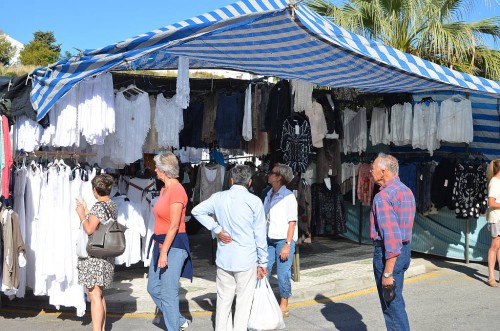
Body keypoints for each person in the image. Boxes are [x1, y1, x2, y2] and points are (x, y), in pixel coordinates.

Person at [191, 165, 268, 331]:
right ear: (249, 182)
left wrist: (217, 229)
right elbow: (260, 235)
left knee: (224, 300)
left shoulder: (218, 197)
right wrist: (263, 262)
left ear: (231, 180)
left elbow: (196, 211)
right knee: (243, 301)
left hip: (225, 257)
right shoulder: (254, 201)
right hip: (246, 259)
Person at [147, 151, 192, 331]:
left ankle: (174, 326)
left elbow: (174, 225)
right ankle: (179, 320)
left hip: (173, 245)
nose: (155, 170)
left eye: (157, 167)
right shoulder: (165, 189)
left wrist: (164, 251)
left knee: (168, 293)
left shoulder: (177, 190)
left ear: (165, 170)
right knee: (153, 287)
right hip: (161, 243)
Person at [370, 153, 415, 331]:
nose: (371, 171)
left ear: (383, 171)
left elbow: (391, 236)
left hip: (389, 255)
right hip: (403, 252)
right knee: (396, 303)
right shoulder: (406, 190)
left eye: (373, 168)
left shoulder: (383, 197)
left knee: (392, 308)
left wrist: (387, 273)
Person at [75, 173, 118, 331]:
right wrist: (87, 210)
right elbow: (100, 223)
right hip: (106, 253)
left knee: (94, 295)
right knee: (99, 294)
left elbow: (89, 229)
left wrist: (81, 215)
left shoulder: (99, 207)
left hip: (95, 256)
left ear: (94, 190)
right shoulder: (111, 205)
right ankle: (101, 328)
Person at [264, 163, 298, 317]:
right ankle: (264, 301)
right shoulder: (268, 194)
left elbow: (292, 222)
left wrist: (287, 245)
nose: (268, 174)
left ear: (279, 178)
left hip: (283, 239)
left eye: (272, 172)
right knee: (265, 268)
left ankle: (284, 303)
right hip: (269, 238)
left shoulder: (288, 196)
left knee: (283, 273)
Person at [486, 159, 500, 287]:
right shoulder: (494, 182)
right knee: (494, 246)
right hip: (496, 218)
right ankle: (491, 276)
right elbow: (491, 202)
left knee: (499, 247)